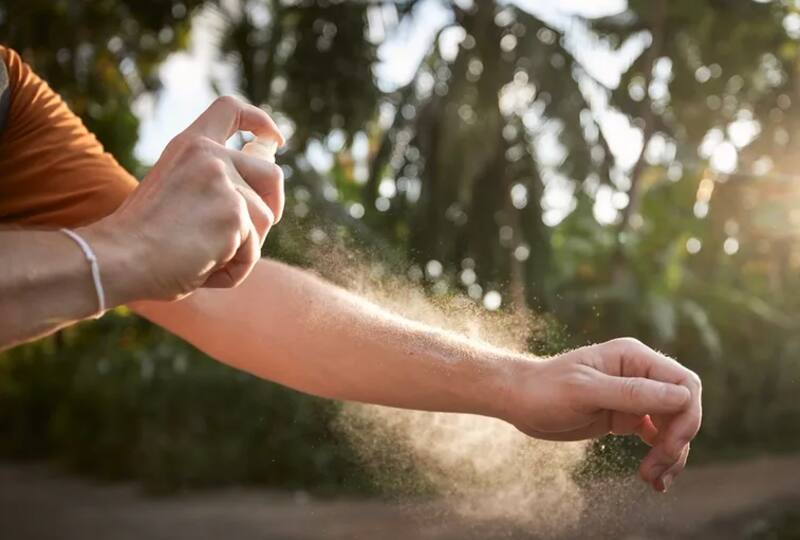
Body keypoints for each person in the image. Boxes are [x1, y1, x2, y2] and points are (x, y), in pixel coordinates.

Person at [0, 45, 701, 494]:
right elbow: (134, 255)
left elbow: (223, 294)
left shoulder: (13, 100)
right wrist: (118, 256)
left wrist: (518, 380)